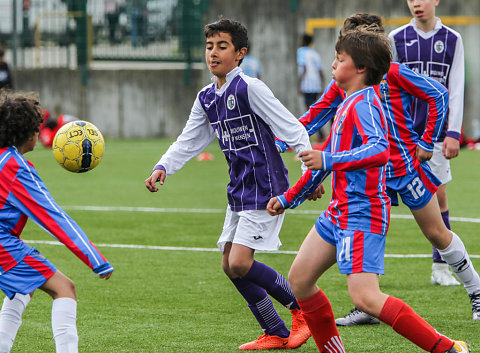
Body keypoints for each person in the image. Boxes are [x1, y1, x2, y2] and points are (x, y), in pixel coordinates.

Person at [267, 27, 469, 353]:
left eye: (339, 58)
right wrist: (288, 198)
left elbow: (378, 150)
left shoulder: (365, 104)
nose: (333, 64)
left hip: (362, 214)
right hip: (338, 212)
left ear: (360, 67)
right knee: (300, 280)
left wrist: (326, 157)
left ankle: (445, 348)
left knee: (366, 298)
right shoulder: (347, 103)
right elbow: (328, 163)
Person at [145, 18, 312, 350]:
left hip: (266, 186)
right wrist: (164, 165)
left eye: (222, 46)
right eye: (209, 46)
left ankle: (303, 310)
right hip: (238, 190)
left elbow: (292, 127)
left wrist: (310, 172)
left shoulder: (250, 88)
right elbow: (189, 140)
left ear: (240, 54)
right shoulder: (207, 96)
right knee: (229, 265)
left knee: (239, 262)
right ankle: (276, 331)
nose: (213, 53)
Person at [0, 91, 114, 353]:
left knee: (21, 290)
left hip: (6, 241)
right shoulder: (16, 168)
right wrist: (95, 260)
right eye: (36, 128)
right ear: (26, 132)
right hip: (2, 244)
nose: (39, 134)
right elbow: (55, 218)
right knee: (65, 288)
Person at [389, 0, 465, 287]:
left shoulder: (452, 39)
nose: (416, 4)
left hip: (434, 135)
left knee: (440, 195)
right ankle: (368, 269)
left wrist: (453, 132)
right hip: (402, 135)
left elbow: (455, 88)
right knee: (380, 199)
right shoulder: (395, 39)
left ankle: (440, 267)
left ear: (436, 0)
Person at [297, 33, 326, 144]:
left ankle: (310, 134)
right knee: (315, 109)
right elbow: (320, 70)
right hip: (316, 84)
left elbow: (303, 68)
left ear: (303, 41)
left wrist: (299, 84)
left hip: (307, 84)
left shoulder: (301, 51)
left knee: (309, 110)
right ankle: (320, 134)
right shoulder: (314, 53)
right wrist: (322, 85)